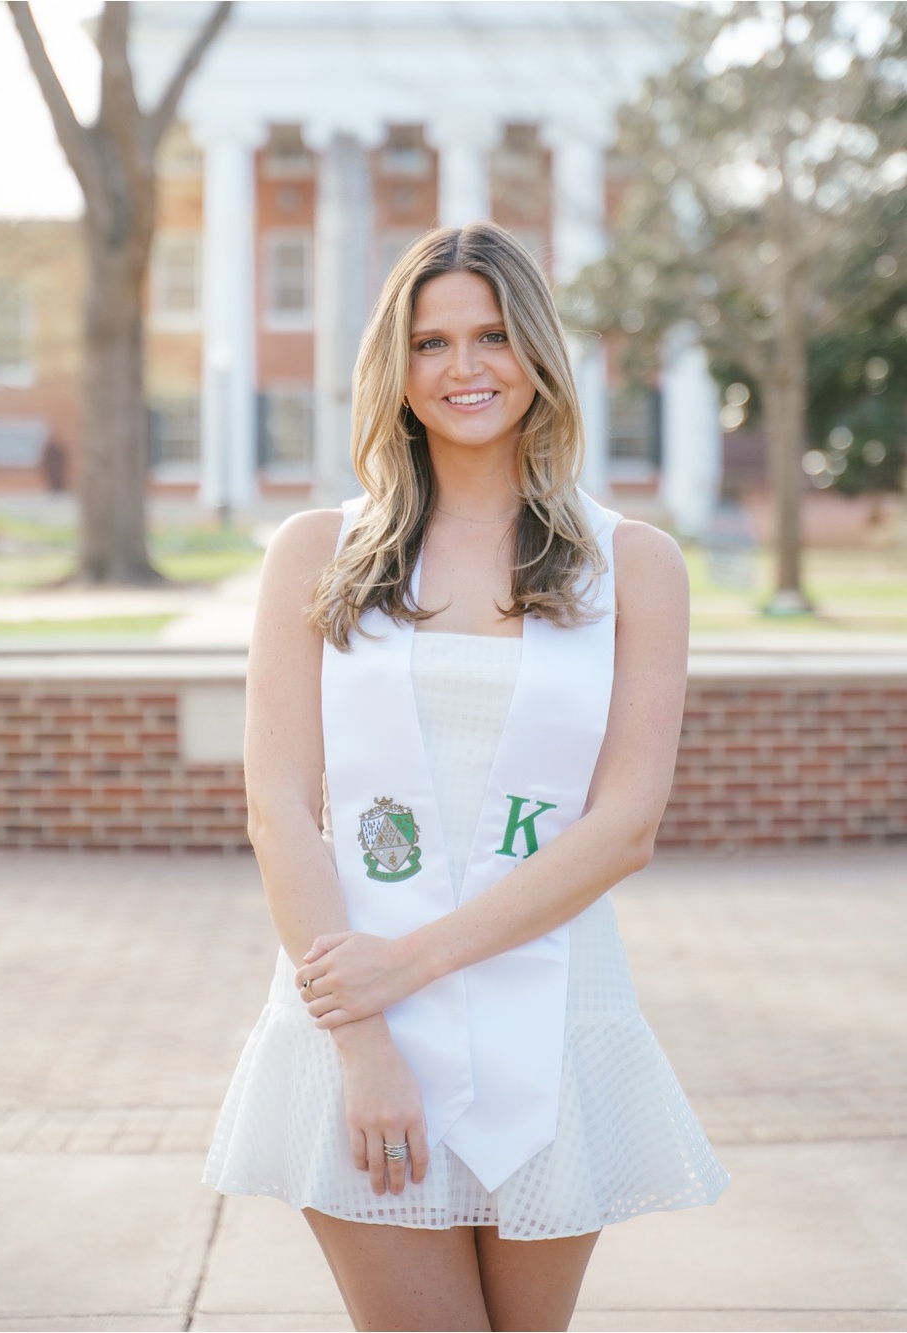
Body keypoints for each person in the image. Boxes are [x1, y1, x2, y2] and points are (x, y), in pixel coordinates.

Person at [203, 222, 729, 1332]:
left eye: (491, 335)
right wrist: (364, 1032)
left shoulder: (630, 562)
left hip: (553, 1012)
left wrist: (412, 963)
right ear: (395, 370)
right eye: (431, 342)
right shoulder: (318, 553)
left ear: (536, 353)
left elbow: (625, 824)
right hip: (356, 1021)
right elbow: (280, 808)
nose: (464, 368)